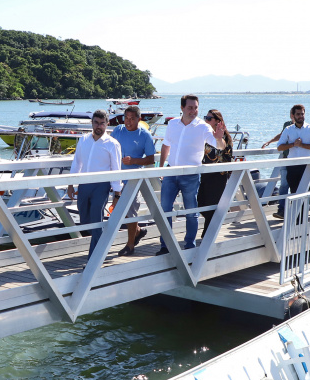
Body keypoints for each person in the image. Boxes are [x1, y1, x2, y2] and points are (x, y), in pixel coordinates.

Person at [156, 94, 229, 255]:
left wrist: (219, 138)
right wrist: (161, 168)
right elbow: (166, 146)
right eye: (190, 107)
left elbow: (220, 146)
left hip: (191, 175)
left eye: (196, 108)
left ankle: (189, 245)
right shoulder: (173, 124)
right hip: (170, 172)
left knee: (191, 212)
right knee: (165, 210)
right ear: (182, 108)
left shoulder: (203, 127)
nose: (193, 111)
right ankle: (165, 246)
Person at [66, 110, 122, 259]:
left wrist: (117, 193)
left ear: (107, 124)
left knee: (97, 221)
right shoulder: (83, 140)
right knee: (85, 220)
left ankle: (94, 257)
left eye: (102, 123)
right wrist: (70, 184)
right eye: (96, 123)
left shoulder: (113, 144)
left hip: (101, 186)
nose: (99, 126)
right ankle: (102, 241)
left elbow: (116, 169)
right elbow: (77, 163)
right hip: (84, 184)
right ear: (92, 123)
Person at [111, 105, 155, 256]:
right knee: (118, 209)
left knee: (131, 212)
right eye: (126, 118)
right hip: (117, 178)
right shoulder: (118, 130)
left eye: (132, 119)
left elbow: (151, 159)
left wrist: (134, 160)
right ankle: (138, 231)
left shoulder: (145, 135)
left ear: (138, 119)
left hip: (134, 179)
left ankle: (130, 246)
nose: (128, 122)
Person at [274, 104, 310, 219]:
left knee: (308, 192)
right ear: (293, 116)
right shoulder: (288, 129)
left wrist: (302, 145)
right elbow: (279, 147)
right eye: (298, 114)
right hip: (293, 166)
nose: (300, 116)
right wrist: (292, 144)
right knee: (295, 192)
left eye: (302, 114)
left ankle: (301, 217)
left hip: (308, 165)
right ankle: (296, 218)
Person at [197, 109, 234, 236]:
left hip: (218, 176)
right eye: (205, 118)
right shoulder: (205, 134)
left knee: (212, 204)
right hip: (204, 173)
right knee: (200, 202)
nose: (206, 120)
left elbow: (227, 156)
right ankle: (210, 229)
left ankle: (207, 234)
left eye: (209, 118)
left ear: (218, 121)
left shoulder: (224, 137)